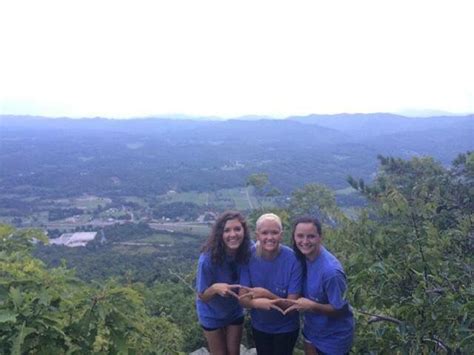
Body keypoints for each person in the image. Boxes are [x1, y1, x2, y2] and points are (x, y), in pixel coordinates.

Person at [286, 216, 354, 355]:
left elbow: (340, 308)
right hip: (312, 331)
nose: (305, 241)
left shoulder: (331, 272)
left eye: (311, 236)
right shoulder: (301, 259)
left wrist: (311, 306)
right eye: (300, 236)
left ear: (320, 237)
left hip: (334, 338)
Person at [239, 213, 303, 355]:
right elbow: (243, 299)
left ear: (281, 235)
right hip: (260, 326)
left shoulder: (293, 260)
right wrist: (256, 304)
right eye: (264, 233)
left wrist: (266, 295)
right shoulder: (248, 257)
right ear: (257, 235)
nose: (270, 237)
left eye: (274, 232)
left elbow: (292, 306)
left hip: (287, 328)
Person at [196, 210, 252, 355]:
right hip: (211, 313)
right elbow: (202, 295)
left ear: (244, 231)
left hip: (234, 310)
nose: (233, 234)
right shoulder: (207, 259)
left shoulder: (248, 250)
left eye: (237, 229)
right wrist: (215, 288)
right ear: (220, 234)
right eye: (227, 230)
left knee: (234, 352)